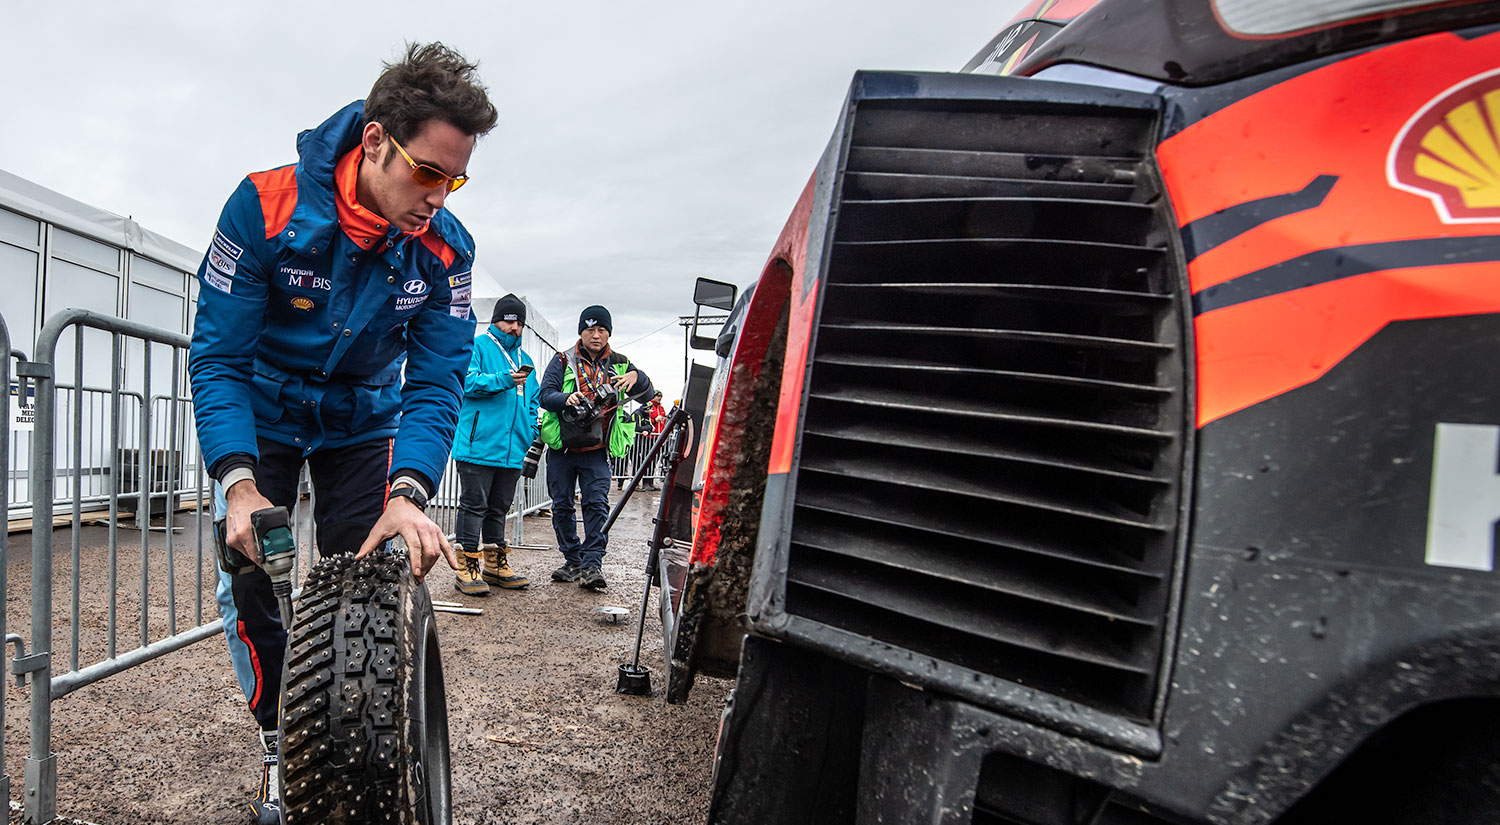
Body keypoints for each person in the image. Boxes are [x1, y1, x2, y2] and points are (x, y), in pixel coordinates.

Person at [188, 42, 497, 824]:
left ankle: (365, 744)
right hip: (264, 408)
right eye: (426, 172)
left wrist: (409, 491)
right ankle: (279, 741)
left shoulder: (448, 251)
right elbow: (218, 357)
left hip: (363, 418)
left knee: (371, 574)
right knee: (248, 571)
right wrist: (237, 483)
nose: (438, 197)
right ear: (375, 141)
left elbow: (436, 381)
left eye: (455, 179)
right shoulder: (261, 207)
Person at [537, 305, 654, 590]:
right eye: (590, 329)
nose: (596, 335)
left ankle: (592, 564)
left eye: (602, 329)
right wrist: (566, 399)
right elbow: (545, 395)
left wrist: (638, 377)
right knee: (562, 505)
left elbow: (648, 395)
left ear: (609, 333)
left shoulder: (621, 363)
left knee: (597, 505)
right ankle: (572, 560)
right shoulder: (562, 360)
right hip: (563, 448)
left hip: (597, 450)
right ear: (581, 332)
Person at [450, 293, 537, 594]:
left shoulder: (526, 359)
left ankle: (495, 564)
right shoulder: (477, 346)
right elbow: (465, 381)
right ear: (496, 320)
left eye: (519, 323)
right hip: (478, 445)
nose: (514, 328)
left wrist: (529, 429)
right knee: (474, 505)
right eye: (509, 321)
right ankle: (467, 566)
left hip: (512, 449)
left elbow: (533, 400)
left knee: (499, 507)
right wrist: (504, 379)